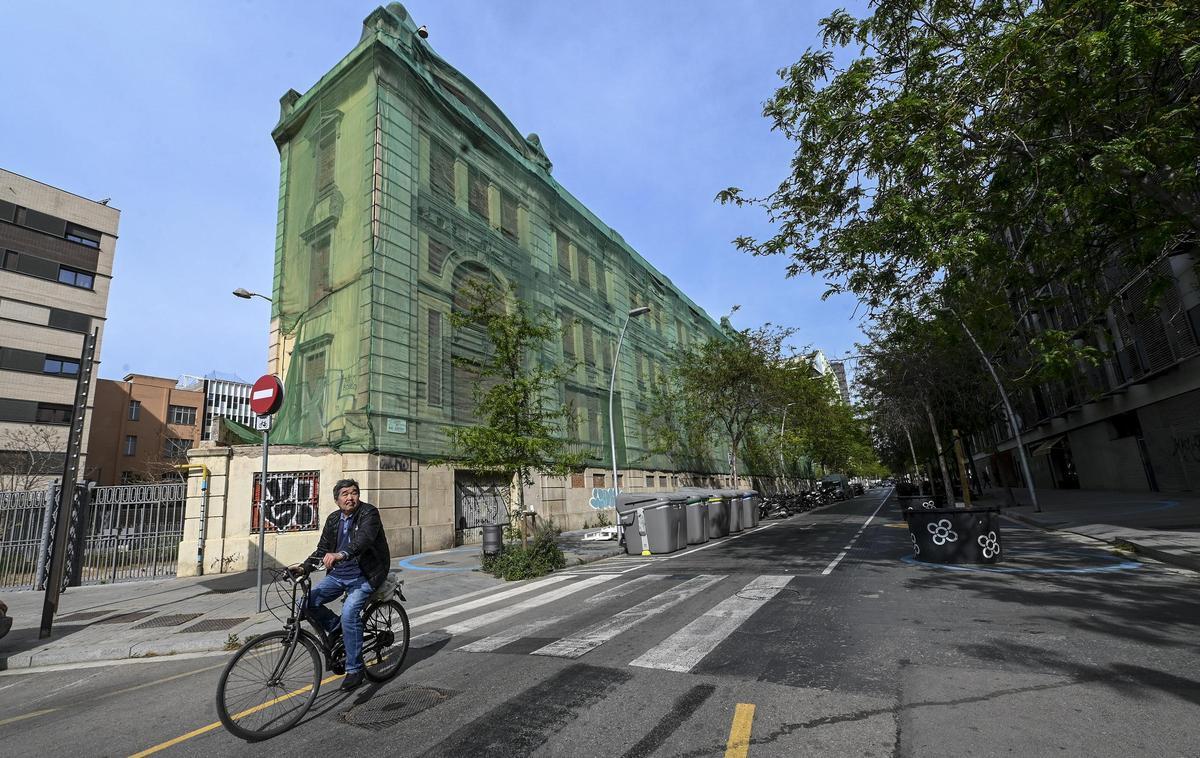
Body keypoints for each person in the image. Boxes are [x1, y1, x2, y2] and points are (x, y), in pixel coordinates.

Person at [302, 478, 390, 691]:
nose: (350, 497)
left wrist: (341, 554)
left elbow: (363, 540)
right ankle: (336, 626)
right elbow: (323, 549)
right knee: (304, 603)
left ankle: (355, 669)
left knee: (350, 612)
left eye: (354, 493)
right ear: (336, 499)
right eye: (345, 494)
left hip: (366, 574)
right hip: (338, 574)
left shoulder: (369, 513)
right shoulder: (333, 519)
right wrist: (304, 567)